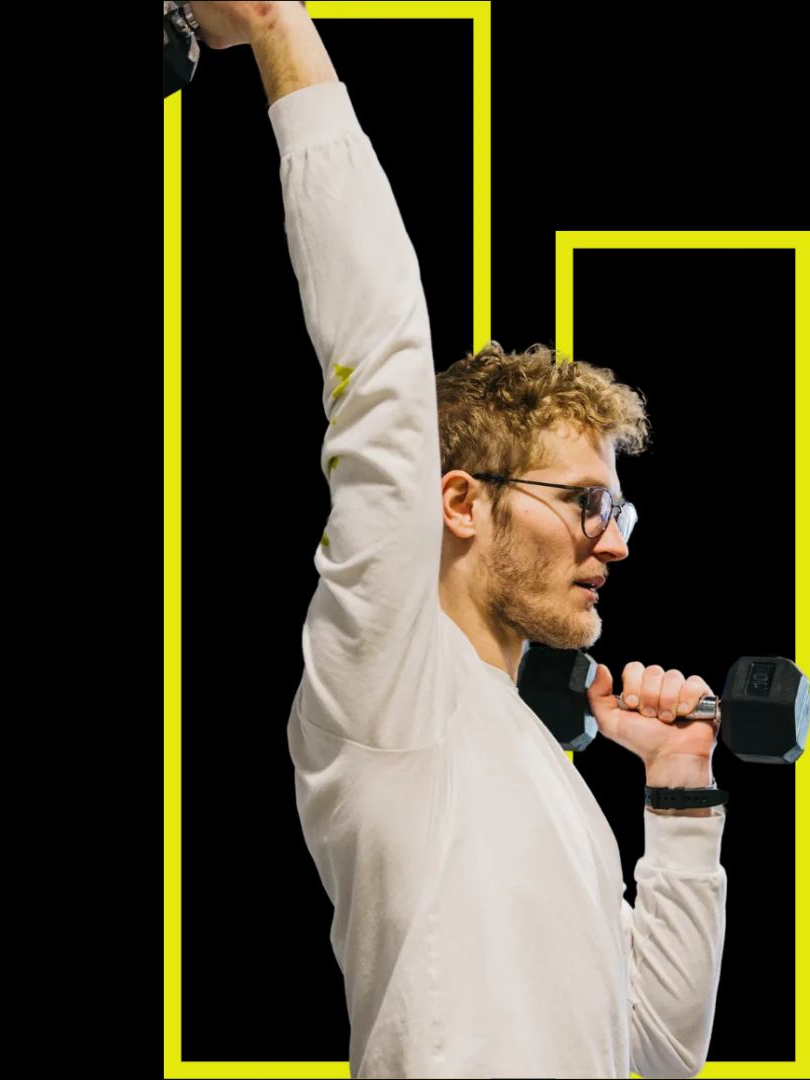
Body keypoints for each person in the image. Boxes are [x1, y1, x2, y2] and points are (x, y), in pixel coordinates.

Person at [187, 4, 727, 1077]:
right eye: (585, 503)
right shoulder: (391, 685)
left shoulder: (546, 774)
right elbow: (381, 359)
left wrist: (679, 789)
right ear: (460, 503)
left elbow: (662, 1050)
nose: (613, 543)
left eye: (617, 512)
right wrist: (277, 25)